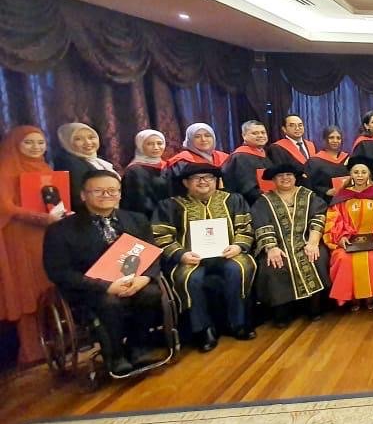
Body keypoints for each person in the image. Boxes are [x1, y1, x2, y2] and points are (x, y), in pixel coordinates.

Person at [42, 170, 164, 375]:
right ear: (83, 195)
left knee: (151, 293)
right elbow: (58, 271)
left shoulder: (137, 219)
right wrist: (106, 286)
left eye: (112, 191)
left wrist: (144, 278)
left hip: (133, 280)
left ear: (120, 194)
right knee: (109, 302)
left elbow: (152, 252)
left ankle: (137, 347)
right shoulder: (60, 230)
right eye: (98, 191)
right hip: (88, 288)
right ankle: (115, 355)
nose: (106, 195)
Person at [153, 163, 257, 352]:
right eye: (196, 178)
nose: (203, 182)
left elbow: (245, 227)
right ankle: (203, 329)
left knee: (238, 269)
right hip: (191, 259)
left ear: (216, 181)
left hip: (228, 254)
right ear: (185, 182)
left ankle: (238, 323)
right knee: (191, 278)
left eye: (208, 177)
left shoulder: (234, 200)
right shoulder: (170, 205)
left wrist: (238, 246)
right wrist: (181, 254)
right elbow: (161, 236)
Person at [0, 126, 64, 365]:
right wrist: (40, 218)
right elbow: (5, 207)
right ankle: (32, 350)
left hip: (45, 235)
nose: (36, 147)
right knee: (28, 290)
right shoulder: (6, 168)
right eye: (28, 142)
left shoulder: (44, 168)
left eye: (40, 142)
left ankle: (57, 341)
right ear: (15, 145)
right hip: (20, 238)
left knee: (47, 285)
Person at [251, 163, 329, 327]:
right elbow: (262, 224)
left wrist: (313, 242)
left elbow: (319, 217)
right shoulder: (264, 201)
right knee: (273, 265)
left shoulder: (309, 196)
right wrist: (271, 247)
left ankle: (314, 307)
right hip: (277, 244)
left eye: (289, 175)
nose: (285, 178)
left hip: (307, 240)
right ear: (273, 180)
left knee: (317, 258)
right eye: (280, 176)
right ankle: (282, 312)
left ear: (295, 178)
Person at [323, 156, 373, 311]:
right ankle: (352, 297)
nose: (360, 175)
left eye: (363, 172)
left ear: (369, 174)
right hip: (349, 239)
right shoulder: (342, 196)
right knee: (343, 258)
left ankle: (371, 296)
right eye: (356, 172)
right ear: (351, 174)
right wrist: (341, 237)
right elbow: (334, 220)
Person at [53, 123, 118, 210]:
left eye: (91, 137)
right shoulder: (70, 164)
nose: (88, 142)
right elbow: (80, 199)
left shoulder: (96, 160)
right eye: (78, 139)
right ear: (67, 142)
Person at [164, 123, 229, 192]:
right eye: (197, 137)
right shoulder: (182, 161)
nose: (203, 139)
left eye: (207, 135)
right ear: (190, 139)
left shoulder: (225, 158)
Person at [221, 120, 273, 205]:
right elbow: (247, 187)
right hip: (250, 204)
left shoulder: (265, 154)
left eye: (263, 132)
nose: (260, 135)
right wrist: (270, 200)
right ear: (244, 135)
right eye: (255, 133)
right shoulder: (240, 156)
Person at [121, 129, 170, 218]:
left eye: (159, 143)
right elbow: (136, 202)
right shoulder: (134, 171)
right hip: (148, 218)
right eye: (150, 144)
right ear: (140, 146)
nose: (156, 147)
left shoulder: (169, 166)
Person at [303, 125, 350, 203]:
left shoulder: (347, 158)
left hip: (346, 201)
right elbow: (309, 185)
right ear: (324, 139)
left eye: (338, 138)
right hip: (324, 202)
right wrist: (326, 191)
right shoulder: (314, 161)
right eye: (331, 137)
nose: (335, 141)